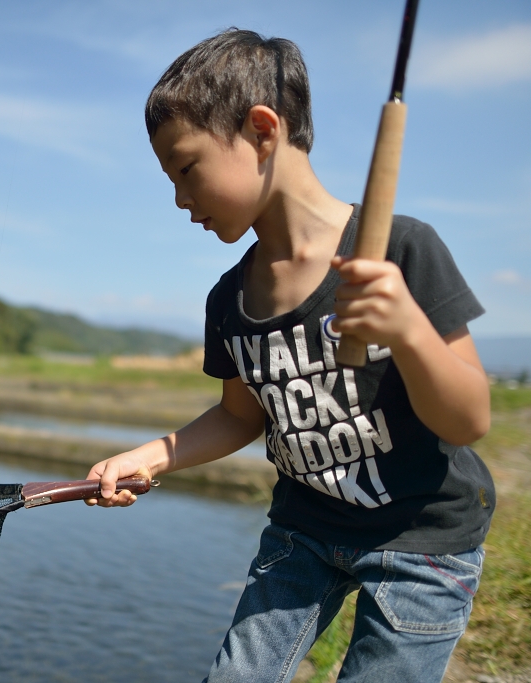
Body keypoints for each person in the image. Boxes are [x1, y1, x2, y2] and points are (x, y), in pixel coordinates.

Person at [84, 29, 494, 683]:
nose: (180, 200)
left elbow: (469, 419)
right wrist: (155, 453)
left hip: (422, 536)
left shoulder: (403, 250)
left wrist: (409, 330)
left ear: (262, 130)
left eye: (186, 168)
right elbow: (239, 416)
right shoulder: (229, 298)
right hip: (303, 527)